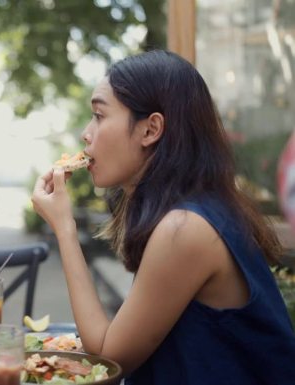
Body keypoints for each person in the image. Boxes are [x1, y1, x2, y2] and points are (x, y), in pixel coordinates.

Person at [31, 50, 295, 384]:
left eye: (99, 115)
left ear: (150, 129)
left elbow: (109, 358)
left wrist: (64, 229)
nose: (87, 133)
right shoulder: (193, 211)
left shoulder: (186, 229)